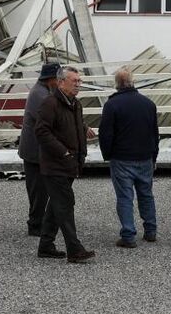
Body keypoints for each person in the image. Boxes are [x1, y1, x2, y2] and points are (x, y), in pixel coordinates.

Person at [34, 66, 96, 264]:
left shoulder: (75, 104)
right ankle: (74, 249)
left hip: (70, 163)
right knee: (65, 203)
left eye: (79, 81)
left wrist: (80, 149)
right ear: (61, 82)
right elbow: (42, 132)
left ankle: (46, 245)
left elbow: (75, 127)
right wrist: (64, 152)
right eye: (74, 81)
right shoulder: (50, 103)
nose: (78, 84)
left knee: (57, 204)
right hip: (56, 165)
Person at [99, 67, 159, 248]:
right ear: (133, 82)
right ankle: (151, 230)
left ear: (116, 84)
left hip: (122, 157)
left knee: (125, 197)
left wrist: (107, 154)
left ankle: (128, 235)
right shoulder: (148, 104)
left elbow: (106, 134)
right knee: (146, 195)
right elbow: (154, 134)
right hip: (145, 157)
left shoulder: (112, 105)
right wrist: (154, 156)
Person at [18, 62, 60, 236]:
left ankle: (37, 222)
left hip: (33, 149)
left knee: (37, 188)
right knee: (38, 190)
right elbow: (49, 121)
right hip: (34, 151)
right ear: (51, 78)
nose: (60, 81)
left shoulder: (41, 91)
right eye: (58, 78)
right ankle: (35, 225)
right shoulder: (41, 95)